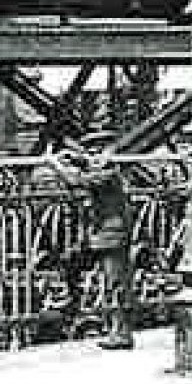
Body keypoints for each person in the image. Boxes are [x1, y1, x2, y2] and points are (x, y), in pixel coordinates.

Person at [49, 130, 135, 349]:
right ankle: (73, 304)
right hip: (97, 236)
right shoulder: (99, 167)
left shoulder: (108, 173)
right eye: (90, 151)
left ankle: (122, 333)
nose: (94, 156)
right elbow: (87, 165)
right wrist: (73, 157)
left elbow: (77, 180)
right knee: (71, 262)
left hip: (112, 235)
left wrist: (54, 165)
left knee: (117, 283)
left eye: (99, 151)